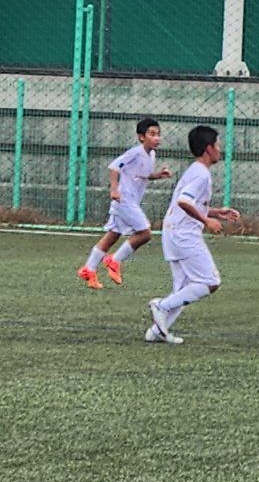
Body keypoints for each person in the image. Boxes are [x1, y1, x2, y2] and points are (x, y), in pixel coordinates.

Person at [147, 125, 240, 344]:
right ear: (209, 148)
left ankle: (157, 331)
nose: (220, 150)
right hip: (184, 235)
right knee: (210, 281)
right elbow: (184, 202)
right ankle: (161, 306)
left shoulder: (195, 170)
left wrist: (216, 212)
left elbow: (190, 202)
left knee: (183, 287)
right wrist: (206, 220)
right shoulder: (201, 175)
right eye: (218, 146)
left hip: (172, 231)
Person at [78, 118, 172, 289]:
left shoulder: (151, 155)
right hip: (124, 199)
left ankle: (89, 269)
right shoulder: (135, 153)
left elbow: (143, 175)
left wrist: (158, 175)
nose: (157, 138)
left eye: (158, 134)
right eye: (152, 134)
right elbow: (114, 167)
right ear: (141, 137)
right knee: (145, 233)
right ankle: (114, 260)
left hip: (130, 200)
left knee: (113, 235)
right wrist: (114, 190)